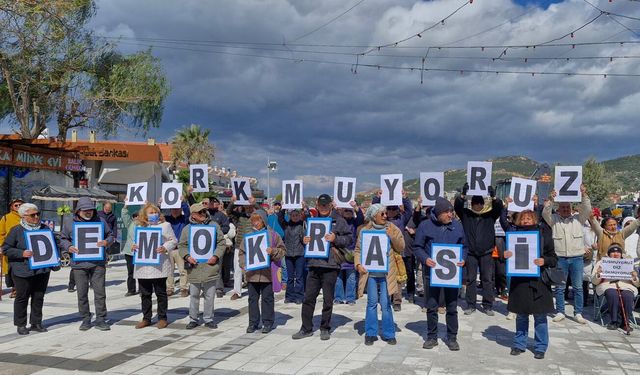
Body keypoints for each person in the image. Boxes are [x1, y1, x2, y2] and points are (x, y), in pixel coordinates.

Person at [292, 194, 353, 341]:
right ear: (317, 205)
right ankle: (305, 328)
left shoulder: (339, 220)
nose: (323, 208)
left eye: (326, 205)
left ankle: (325, 327)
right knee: (308, 298)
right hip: (313, 264)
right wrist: (304, 240)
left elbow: (349, 239)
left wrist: (336, 239)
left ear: (331, 205)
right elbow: (304, 238)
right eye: (321, 205)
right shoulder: (310, 220)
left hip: (330, 265)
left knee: (327, 299)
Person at [503, 209, 558, 360]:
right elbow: (506, 258)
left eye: (529, 218)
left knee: (540, 316)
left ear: (534, 220)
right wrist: (505, 255)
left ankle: (540, 347)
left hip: (538, 281)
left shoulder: (543, 234)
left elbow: (553, 258)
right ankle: (519, 344)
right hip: (519, 281)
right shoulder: (513, 234)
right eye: (523, 219)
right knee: (521, 315)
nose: (526, 221)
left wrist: (544, 261)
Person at [414, 197, 466, 351]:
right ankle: (431, 337)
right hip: (432, 273)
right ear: (439, 213)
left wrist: (462, 258)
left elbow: (464, 246)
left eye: (451, 211)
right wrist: (425, 259)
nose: (451, 215)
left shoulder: (457, 226)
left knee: (452, 306)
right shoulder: (425, 226)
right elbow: (417, 247)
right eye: (447, 212)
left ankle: (452, 338)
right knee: (431, 306)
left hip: (452, 275)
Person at [59, 197, 115, 331]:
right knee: (82, 293)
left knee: (100, 292)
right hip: (79, 264)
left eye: (90, 209)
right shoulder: (69, 223)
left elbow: (111, 235)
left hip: (98, 264)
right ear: (78, 211)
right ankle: (85, 318)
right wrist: (68, 246)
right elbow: (62, 238)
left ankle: (101, 319)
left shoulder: (101, 221)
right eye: (85, 210)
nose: (88, 212)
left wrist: (107, 242)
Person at [2, 203, 57, 335]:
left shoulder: (45, 228)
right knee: (22, 297)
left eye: (38, 214)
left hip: (42, 269)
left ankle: (36, 323)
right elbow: (6, 248)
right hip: (22, 270)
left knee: (39, 296)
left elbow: (53, 244)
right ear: (24, 216)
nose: (36, 217)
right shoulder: (16, 230)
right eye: (33, 215)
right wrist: (22, 253)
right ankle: (21, 324)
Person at [354, 204, 405, 345]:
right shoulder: (364, 231)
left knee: (386, 304)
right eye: (381, 213)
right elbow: (358, 250)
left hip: (386, 274)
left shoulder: (392, 228)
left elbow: (401, 247)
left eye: (385, 213)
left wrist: (392, 236)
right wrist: (358, 264)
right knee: (371, 303)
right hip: (370, 274)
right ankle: (370, 333)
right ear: (373, 216)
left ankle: (389, 333)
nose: (385, 215)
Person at [542, 185, 591, 324]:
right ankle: (560, 311)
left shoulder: (578, 219)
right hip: (560, 258)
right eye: (563, 207)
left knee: (578, 287)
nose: (565, 209)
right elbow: (545, 213)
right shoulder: (553, 219)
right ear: (558, 209)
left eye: (567, 207)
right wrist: (551, 199)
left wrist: (584, 194)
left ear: (571, 208)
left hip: (577, 258)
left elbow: (587, 209)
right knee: (559, 287)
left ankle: (578, 313)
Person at [455, 183, 503, 316]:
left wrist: (494, 197)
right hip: (470, 252)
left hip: (486, 252)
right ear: (472, 204)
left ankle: (488, 305)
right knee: (470, 279)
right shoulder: (466, 215)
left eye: (480, 203)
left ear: (483, 204)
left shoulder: (490, 215)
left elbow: (499, 207)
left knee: (487, 279)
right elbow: (457, 206)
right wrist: (462, 195)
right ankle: (471, 305)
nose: (478, 206)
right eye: (475, 203)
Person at [178, 202, 226, 329]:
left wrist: (216, 256)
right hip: (194, 267)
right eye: (200, 212)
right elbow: (181, 245)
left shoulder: (214, 226)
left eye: (204, 211)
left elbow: (222, 242)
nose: (204, 214)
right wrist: (187, 256)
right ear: (193, 215)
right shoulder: (187, 229)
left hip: (210, 266)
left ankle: (208, 318)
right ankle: (193, 319)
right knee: (194, 294)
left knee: (209, 295)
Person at [239, 211, 286, 333]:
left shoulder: (273, 235)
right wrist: (244, 265)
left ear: (263, 221)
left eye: (258, 220)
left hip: (267, 274)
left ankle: (268, 322)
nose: (255, 223)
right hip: (252, 274)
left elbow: (282, 250)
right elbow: (242, 253)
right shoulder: (248, 236)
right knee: (252, 299)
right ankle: (253, 323)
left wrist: (273, 251)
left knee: (267, 299)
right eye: (253, 220)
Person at [133, 203, 178, 329]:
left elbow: (173, 240)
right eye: (150, 213)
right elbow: (135, 242)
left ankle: (162, 318)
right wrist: (134, 247)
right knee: (145, 294)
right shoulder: (140, 226)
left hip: (159, 265)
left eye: (155, 212)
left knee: (160, 293)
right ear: (145, 215)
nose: (153, 215)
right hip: (143, 266)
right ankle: (146, 318)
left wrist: (164, 247)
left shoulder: (165, 225)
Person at [592, 243, 640, 331]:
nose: (616, 254)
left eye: (618, 252)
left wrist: (634, 276)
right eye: (613, 252)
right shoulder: (602, 263)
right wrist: (598, 274)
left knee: (628, 296)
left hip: (626, 285)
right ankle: (614, 321)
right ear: (609, 253)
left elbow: (637, 284)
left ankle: (625, 322)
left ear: (621, 254)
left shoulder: (628, 263)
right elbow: (594, 281)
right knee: (612, 294)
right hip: (608, 285)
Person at [336, 202, 364, 305]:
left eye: (349, 211)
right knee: (338, 277)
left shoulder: (355, 222)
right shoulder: (338, 221)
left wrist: (356, 207)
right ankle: (338, 298)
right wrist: (335, 209)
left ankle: (350, 298)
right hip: (339, 252)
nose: (348, 212)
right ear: (342, 211)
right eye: (345, 210)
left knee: (351, 277)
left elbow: (361, 217)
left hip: (351, 253)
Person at [278, 206, 307, 304]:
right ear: (290, 216)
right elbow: (280, 218)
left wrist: (304, 208)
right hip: (289, 254)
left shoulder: (302, 224)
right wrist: (283, 207)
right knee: (290, 277)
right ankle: (289, 296)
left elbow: (308, 217)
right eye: (293, 215)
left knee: (299, 277)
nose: (295, 217)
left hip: (299, 254)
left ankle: (299, 296)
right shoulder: (286, 225)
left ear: (299, 216)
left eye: (296, 215)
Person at [164, 198, 190, 297]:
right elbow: (158, 215)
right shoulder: (166, 219)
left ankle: (184, 288)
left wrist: (183, 202)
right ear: (170, 209)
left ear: (180, 209)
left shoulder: (184, 219)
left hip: (180, 249)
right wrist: (160, 204)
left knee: (183, 270)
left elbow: (188, 212)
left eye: (177, 208)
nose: (175, 210)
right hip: (169, 248)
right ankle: (169, 288)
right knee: (168, 270)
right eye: (173, 209)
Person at [0, 198, 24, 298]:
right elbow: (1, 234)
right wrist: (1, 245)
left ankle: (17, 289)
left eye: (20, 205)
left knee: (20, 268)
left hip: (22, 249)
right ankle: (14, 287)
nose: (18, 207)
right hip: (9, 248)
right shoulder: (6, 218)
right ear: (11, 207)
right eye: (16, 205)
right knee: (10, 270)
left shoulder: (27, 217)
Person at [121, 208, 139, 296]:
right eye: (135, 216)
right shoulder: (130, 224)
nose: (137, 218)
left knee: (141, 271)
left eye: (139, 216)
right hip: (129, 252)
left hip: (140, 252)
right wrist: (126, 206)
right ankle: (131, 289)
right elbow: (124, 215)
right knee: (131, 272)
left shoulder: (145, 225)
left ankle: (143, 289)